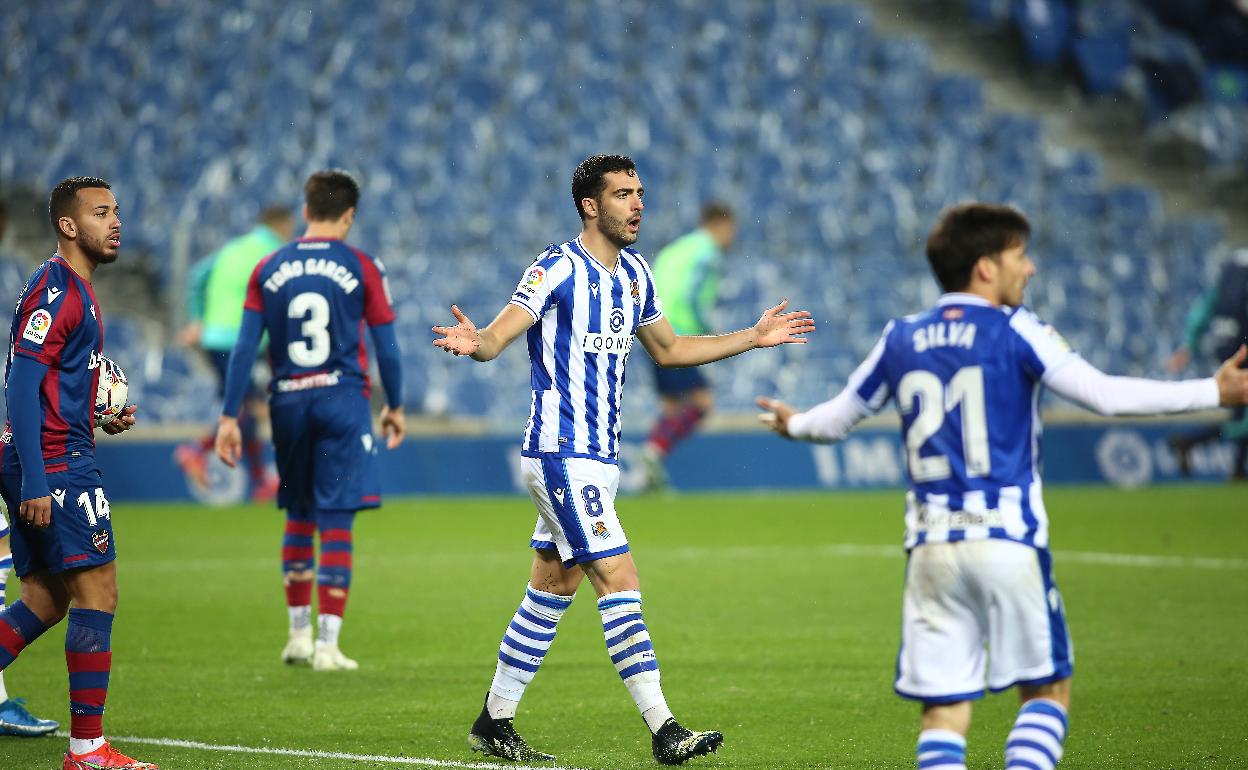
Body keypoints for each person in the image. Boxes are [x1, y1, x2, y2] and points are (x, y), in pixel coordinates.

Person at [756, 203, 1248, 770]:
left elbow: (834, 421)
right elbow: (1106, 396)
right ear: (986, 268)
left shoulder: (901, 338)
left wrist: (792, 423)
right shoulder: (1018, 329)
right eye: (1020, 255)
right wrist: (1213, 392)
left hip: (932, 551)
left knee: (944, 712)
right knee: (1046, 692)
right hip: (1007, 541)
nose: (1031, 268)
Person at [432, 154, 814, 764]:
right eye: (622, 195)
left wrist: (752, 336)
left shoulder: (636, 274)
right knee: (620, 577)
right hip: (560, 453)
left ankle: (493, 721)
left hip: (597, 460)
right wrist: (475, 341)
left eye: (640, 192)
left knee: (553, 586)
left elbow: (669, 349)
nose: (637, 204)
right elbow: (499, 335)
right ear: (590, 205)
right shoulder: (555, 268)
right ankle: (664, 729)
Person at [215, 170, 405, 672]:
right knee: (336, 518)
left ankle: (297, 635)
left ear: (305, 210)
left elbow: (241, 349)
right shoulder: (362, 265)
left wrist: (229, 416)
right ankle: (327, 645)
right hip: (341, 400)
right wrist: (396, 404)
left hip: (288, 402)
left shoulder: (267, 266)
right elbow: (385, 342)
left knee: (298, 513)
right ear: (349, 216)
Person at [0, 177, 156, 769]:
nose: (114, 222)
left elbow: (54, 377)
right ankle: (87, 751)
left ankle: (87, 750)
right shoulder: (58, 289)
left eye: (116, 211)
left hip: (55, 449)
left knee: (42, 600)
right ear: (69, 226)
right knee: (99, 593)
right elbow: (20, 383)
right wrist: (37, 478)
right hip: (55, 460)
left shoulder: (78, 291)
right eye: (99, 213)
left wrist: (98, 408)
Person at [176, 206, 294, 499]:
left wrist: (197, 318)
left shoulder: (233, 248)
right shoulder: (276, 252)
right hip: (244, 339)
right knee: (245, 406)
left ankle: (259, 482)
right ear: (282, 225)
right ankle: (196, 449)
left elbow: (197, 276)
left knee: (247, 406)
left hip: (215, 336)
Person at [0, 198, 61, 737]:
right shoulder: (42, 283)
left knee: (45, 593)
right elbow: (23, 375)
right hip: (14, 441)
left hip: (7, 438)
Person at [639, 202, 737, 492]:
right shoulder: (707, 253)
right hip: (677, 334)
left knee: (671, 407)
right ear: (719, 225)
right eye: (731, 230)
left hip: (649, 330)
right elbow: (691, 294)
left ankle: (649, 478)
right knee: (701, 402)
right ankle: (652, 452)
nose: (731, 237)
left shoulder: (675, 249)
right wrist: (708, 329)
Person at [1165, 246, 1248, 480]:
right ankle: (1191, 441)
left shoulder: (1231, 268)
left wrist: (1189, 344)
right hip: (1244, 346)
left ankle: (1238, 470)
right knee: (1243, 418)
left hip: (1225, 346)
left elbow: (1205, 306)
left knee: (1240, 411)